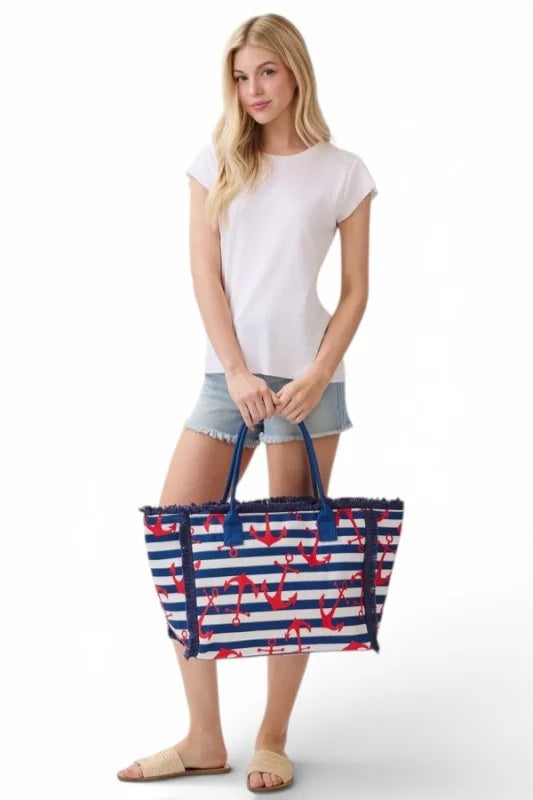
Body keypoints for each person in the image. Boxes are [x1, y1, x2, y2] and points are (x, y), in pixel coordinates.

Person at [116, 11, 377, 794]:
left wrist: (315, 373)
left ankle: (271, 736)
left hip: (309, 387)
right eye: (239, 75)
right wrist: (234, 371)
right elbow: (205, 275)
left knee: (291, 562)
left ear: (294, 70)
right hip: (226, 381)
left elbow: (357, 291)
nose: (252, 89)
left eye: (264, 71)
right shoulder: (216, 161)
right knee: (181, 549)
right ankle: (202, 737)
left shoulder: (343, 171)